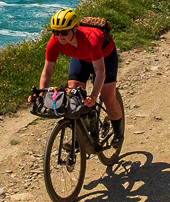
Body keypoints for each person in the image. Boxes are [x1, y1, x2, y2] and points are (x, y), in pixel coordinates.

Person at [34, 8, 124, 143]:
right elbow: (47, 71)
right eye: (55, 32)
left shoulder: (90, 40)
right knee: (74, 93)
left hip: (105, 56)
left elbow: (100, 71)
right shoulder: (55, 41)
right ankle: (83, 133)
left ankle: (118, 132)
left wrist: (93, 96)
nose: (60, 36)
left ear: (74, 29)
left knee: (107, 97)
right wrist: (41, 93)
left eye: (64, 31)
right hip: (81, 57)